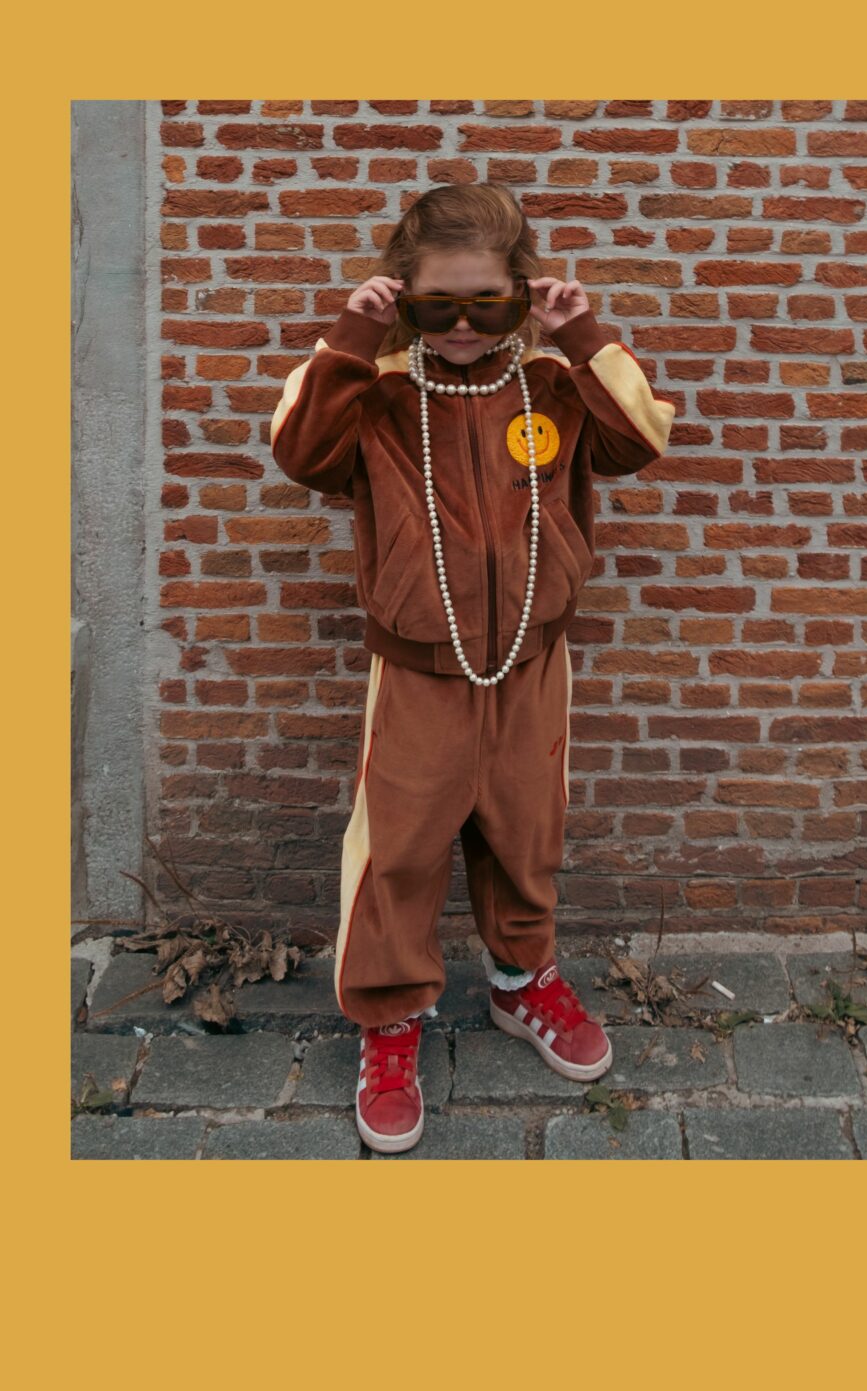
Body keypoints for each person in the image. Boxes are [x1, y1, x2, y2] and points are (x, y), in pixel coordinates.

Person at [269, 184, 675, 1153]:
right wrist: (351, 337)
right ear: (400, 295)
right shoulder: (373, 388)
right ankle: (389, 1017)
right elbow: (300, 453)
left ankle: (521, 981)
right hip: (419, 668)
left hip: (532, 660)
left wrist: (582, 338)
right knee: (401, 847)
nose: (460, 326)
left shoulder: (553, 381)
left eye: (486, 304)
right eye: (435, 304)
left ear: (522, 294)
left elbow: (639, 440)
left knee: (526, 832)